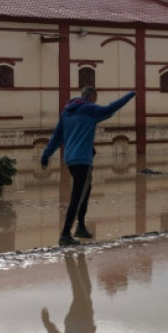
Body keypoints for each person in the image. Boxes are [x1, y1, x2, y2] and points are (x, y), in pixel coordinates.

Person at [41, 86, 136, 246]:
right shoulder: (89, 109)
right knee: (78, 194)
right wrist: (130, 95)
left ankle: (81, 227)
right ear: (91, 97)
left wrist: (46, 155)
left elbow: (57, 137)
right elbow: (110, 109)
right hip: (82, 159)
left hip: (69, 158)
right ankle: (66, 233)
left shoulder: (66, 112)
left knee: (85, 189)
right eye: (95, 100)